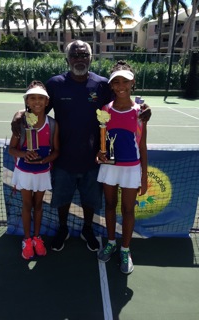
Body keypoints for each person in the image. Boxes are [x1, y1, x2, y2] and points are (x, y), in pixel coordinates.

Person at [11, 40, 151, 253]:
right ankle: (63, 229)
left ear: (91, 58)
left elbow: (125, 100)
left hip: (94, 159)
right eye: (75, 55)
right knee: (63, 199)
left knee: (90, 201)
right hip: (62, 158)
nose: (80, 59)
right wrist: (19, 114)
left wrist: (144, 107)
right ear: (67, 59)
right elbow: (34, 105)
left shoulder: (103, 84)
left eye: (84, 55)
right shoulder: (55, 84)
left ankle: (87, 229)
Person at [96, 61, 148, 274]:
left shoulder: (141, 111)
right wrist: (99, 153)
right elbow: (102, 142)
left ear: (132, 83)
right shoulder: (105, 110)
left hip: (131, 169)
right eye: (116, 82)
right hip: (110, 168)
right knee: (109, 206)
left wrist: (144, 176)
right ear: (111, 85)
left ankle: (125, 250)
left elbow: (142, 145)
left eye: (125, 81)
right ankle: (110, 242)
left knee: (128, 210)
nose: (120, 86)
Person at [8, 80, 59, 260]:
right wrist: (23, 154)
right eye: (32, 98)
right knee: (27, 205)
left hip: (42, 172)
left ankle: (37, 238)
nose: (37, 102)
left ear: (47, 102)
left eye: (40, 98)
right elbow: (11, 149)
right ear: (27, 102)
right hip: (24, 172)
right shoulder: (20, 124)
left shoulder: (52, 124)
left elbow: (56, 150)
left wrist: (46, 159)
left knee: (38, 206)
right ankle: (27, 239)